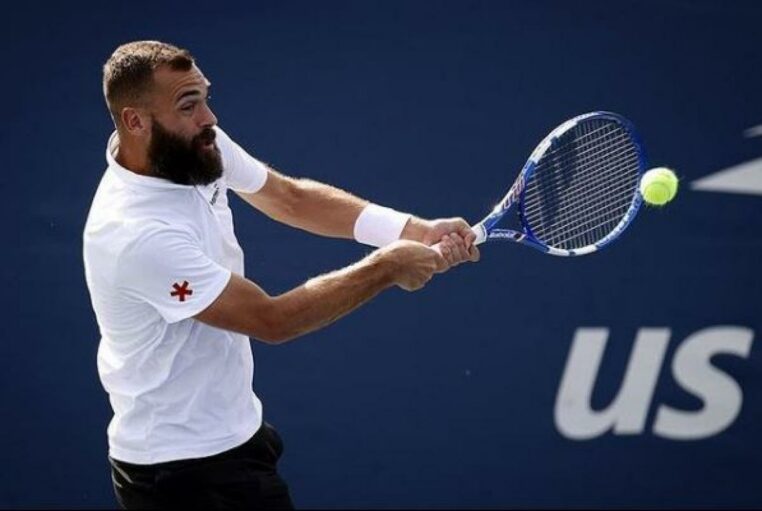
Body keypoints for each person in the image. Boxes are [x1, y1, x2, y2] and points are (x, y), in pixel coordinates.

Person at [83, 40, 479, 510]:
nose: (208, 117)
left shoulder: (194, 144)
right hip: (179, 474)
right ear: (135, 121)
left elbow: (288, 198)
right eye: (189, 105)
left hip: (235, 440)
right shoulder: (136, 235)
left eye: (205, 97)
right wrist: (387, 266)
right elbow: (273, 321)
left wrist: (411, 228)